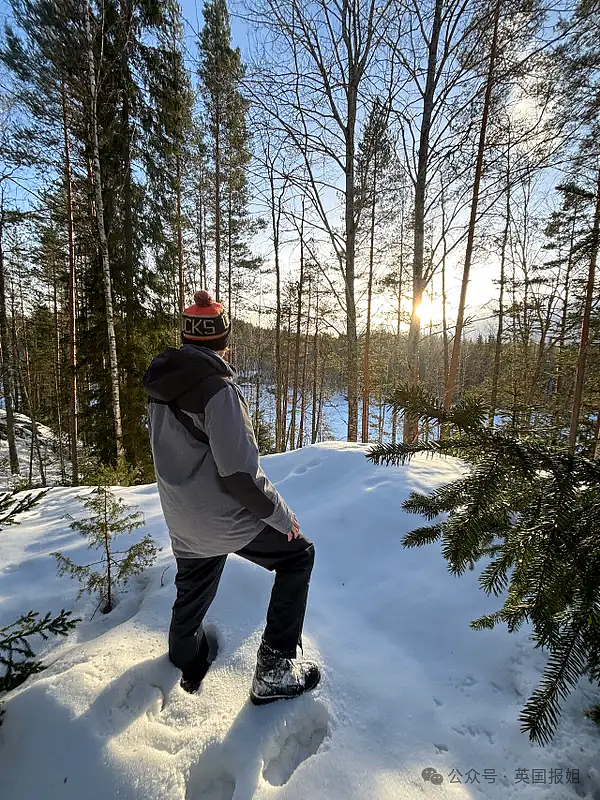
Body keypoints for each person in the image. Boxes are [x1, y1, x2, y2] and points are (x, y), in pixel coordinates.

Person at [143, 290, 320, 704]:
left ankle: (184, 660)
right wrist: (282, 517)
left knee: (192, 592)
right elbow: (241, 476)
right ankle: (273, 671)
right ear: (224, 341)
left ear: (186, 339)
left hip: (181, 518)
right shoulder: (218, 391)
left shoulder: (160, 386)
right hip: (222, 519)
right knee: (299, 556)